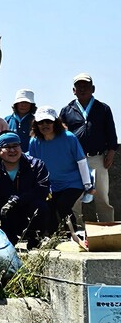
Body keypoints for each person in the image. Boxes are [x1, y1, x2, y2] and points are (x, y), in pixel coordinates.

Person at [59, 73, 117, 222]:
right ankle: (77, 230)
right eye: (79, 86)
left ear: (93, 89)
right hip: (74, 160)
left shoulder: (103, 108)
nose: (82, 89)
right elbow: (61, 136)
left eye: (86, 86)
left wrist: (111, 152)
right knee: (74, 199)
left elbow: (111, 132)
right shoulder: (66, 110)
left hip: (97, 158)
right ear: (74, 90)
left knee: (102, 197)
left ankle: (106, 229)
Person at [0, 132, 52, 246]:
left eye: (15, 145)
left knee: (40, 206)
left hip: (29, 213)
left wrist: (17, 200)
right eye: (7, 147)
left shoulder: (37, 165)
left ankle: (35, 239)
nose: (12, 150)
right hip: (5, 216)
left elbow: (43, 191)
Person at [27, 107, 94, 229]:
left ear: (55, 122)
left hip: (73, 182)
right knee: (48, 208)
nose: (45, 125)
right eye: (41, 122)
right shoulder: (34, 142)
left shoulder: (69, 137)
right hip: (52, 185)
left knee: (63, 205)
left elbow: (81, 161)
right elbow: (34, 166)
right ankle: (53, 237)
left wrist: (88, 185)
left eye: (48, 121)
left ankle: (73, 234)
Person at [5, 89, 37, 153]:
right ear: (16, 104)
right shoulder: (6, 120)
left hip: (30, 157)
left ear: (31, 105)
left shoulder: (36, 121)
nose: (23, 105)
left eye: (27, 102)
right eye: (21, 102)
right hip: (10, 155)